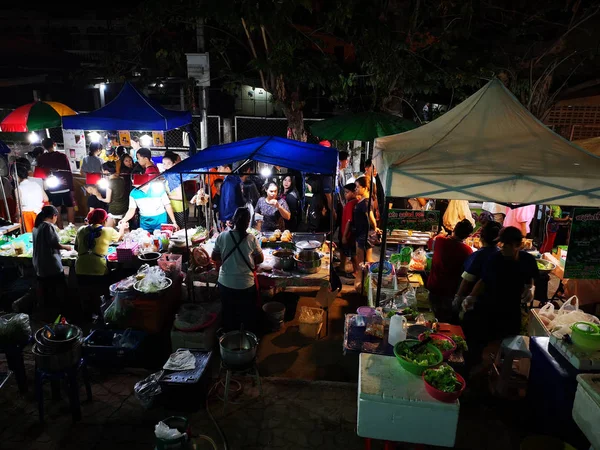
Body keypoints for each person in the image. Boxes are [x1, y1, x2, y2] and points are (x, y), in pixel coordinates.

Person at [461, 226, 539, 372]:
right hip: (487, 307)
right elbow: (483, 280)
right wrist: (471, 296)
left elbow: (530, 279)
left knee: (501, 345)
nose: (502, 247)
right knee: (476, 342)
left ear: (518, 245)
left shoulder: (527, 260)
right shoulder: (495, 258)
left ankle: (491, 372)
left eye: (507, 244)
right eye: (501, 243)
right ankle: (473, 371)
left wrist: (530, 289)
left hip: (509, 310)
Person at [211, 207, 264, 332]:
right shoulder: (251, 239)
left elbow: (214, 257)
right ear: (247, 223)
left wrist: (226, 256)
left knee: (229, 315)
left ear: (233, 220)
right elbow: (260, 259)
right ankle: (246, 342)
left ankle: (230, 342)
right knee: (246, 316)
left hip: (225, 284)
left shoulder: (222, 236)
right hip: (246, 285)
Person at [76, 209, 125, 318]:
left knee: (85, 292)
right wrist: (122, 226)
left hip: (80, 266)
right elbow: (120, 237)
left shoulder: (81, 229)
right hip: (98, 267)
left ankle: (87, 316)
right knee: (101, 291)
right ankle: (102, 314)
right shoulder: (108, 231)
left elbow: (76, 247)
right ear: (104, 220)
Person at [426, 219, 474, 322]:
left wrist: (439, 235)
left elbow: (429, 243)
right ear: (467, 236)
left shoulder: (439, 240)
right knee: (445, 321)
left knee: (432, 316)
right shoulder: (468, 251)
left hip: (434, 287)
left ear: (454, 229)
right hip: (450, 292)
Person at [32, 206, 72, 310]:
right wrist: (66, 247)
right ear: (54, 216)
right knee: (58, 285)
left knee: (44, 286)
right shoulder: (47, 226)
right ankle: (60, 307)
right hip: (49, 263)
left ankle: (46, 307)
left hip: (38, 262)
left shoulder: (36, 226)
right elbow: (54, 244)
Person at [455, 221, 502, 305]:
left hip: (475, 301)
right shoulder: (500, 254)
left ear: (481, 237)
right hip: (495, 300)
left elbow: (466, 280)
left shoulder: (478, 255)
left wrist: (457, 298)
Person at [37, 138, 74, 227]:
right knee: (70, 207)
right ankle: (71, 228)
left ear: (44, 146)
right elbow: (68, 172)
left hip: (53, 187)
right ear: (54, 144)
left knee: (57, 209)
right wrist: (72, 188)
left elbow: (41, 174)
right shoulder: (62, 156)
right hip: (65, 186)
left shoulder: (42, 158)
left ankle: (60, 229)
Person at [87, 163, 129, 227]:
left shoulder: (110, 182)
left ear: (106, 171)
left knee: (108, 230)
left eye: (103, 171)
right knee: (123, 228)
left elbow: (108, 200)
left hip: (115, 210)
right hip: (124, 207)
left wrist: (99, 197)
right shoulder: (121, 179)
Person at [354, 176, 381, 263]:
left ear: (365, 188)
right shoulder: (364, 199)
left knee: (362, 261)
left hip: (365, 235)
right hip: (363, 233)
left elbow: (371, 216)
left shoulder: (366, 202)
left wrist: (375, 227)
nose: (356, 189)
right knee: (365, 260)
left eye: (358, 187)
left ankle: (367, 275)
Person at [16, 163, 48, 232]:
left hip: (27, 216)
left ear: (17, 177)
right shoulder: (36, 184)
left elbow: (19, 207)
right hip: (40, 213)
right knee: (41, 234)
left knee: (30, 236)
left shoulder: (18, 189)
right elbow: (46, 199)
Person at [162, 151, 188, 229]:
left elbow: (180, 196)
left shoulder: (174, 177)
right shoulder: (168, 175)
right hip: (174, 208)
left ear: (174, 164)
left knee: (179, 232)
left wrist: (166, 196)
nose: (166, 166)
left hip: (179, 209)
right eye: (164, 164)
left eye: (168, 163)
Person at [339, 182, 358, 277]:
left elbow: (349, 221)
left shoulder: (351, 204)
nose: (345, 194)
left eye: (347, 192)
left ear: (354, 193)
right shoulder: (351, 203)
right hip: (347, 234)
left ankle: (356, 272)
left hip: (348, 235)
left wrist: (344, 236)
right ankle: (349, 269)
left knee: (352, 254)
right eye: (345, 192)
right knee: (348, 252)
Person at [82, 143, 108, 212]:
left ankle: (92, 214)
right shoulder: (100, 160)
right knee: (99, 201)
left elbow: (82, 172)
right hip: (99, 184)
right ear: (98, 150)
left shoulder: (85, 159)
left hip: (89, 184)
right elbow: (104, 171)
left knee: (92, 201)